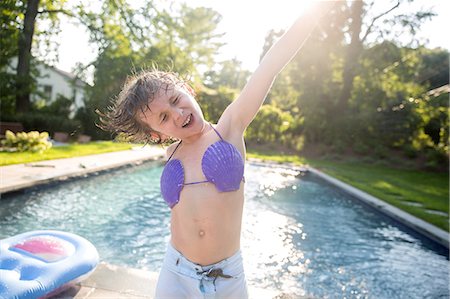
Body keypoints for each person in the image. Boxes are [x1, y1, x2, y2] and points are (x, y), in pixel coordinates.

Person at [101, 2, 334, 298]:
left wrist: (318, 10)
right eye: (163, 118)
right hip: (175, 271)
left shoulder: (229, 128)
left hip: (226, 277)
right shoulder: (170, 154)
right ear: (156, 134)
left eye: (175, 99)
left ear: (187, 88)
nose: (177, 114)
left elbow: (271, 65)